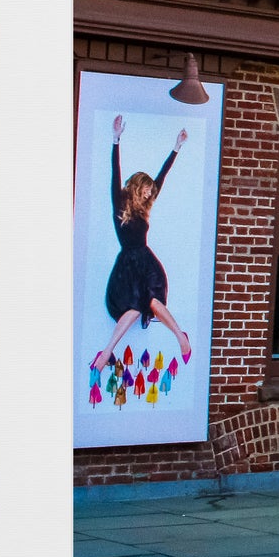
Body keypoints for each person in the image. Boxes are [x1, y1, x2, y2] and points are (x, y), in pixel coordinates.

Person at [91, 115, 192, 372]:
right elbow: (115, 172)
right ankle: (106, 353)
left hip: (146, 262)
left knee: (154, 302)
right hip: (127, 265)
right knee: (135, 307)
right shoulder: (119, 201)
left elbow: (161, 177)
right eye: (146, 189)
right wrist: (116, 139)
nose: (149, 193)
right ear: (138, 187)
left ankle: (181, 337)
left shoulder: (145, 206)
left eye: (150, 191)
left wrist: (176, 147)